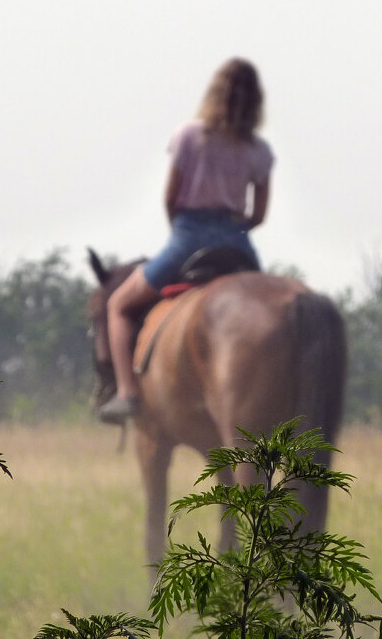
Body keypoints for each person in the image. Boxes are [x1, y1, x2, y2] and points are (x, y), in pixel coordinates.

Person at [97, 57, 274, 424]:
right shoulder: (259, 151)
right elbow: (257, 216)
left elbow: (170, 198)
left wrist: (181, 232)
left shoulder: (189, 136)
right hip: (237, 242)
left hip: (188, 237)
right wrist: (233, 225)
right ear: (257, 101)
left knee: (118, 305)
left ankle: (128, 393)